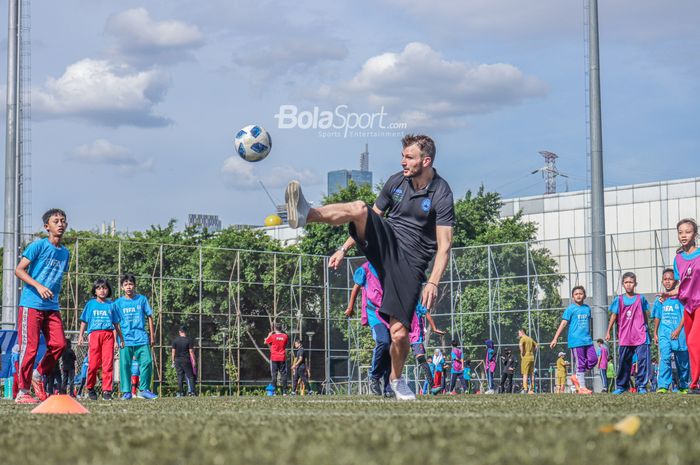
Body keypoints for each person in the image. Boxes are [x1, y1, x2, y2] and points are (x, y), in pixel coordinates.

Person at [287, 134, 455, 400]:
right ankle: (306, 213)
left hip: (411, 263)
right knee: (359, 207)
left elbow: (444, 245)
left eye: (408, 157)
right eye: (402, 156)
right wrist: (343, 249)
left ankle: (396, 380)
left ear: (426, 160)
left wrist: (433, 281)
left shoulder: (441, 192)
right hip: (386, 242)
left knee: (399, 335)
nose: (402, 162)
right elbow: (369, 218)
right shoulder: (396, 181)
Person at [14, 209, 70, 404]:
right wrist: (38, 286)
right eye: (56, 221)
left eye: (63, 221)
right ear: (47, 226)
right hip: (31, 304)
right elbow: (19, 270)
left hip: (51, 306)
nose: (60, 224)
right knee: (29, 348)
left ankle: (39, 374)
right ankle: (22, 391)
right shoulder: (38, 246)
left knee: (60, 344)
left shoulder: (65, 253)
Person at [664, 218, 700, 394]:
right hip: (688, 307)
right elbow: (680, 287)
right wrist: (669, 293)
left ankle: (694, 384)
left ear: (695, 234)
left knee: (694, 342)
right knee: (691, 343)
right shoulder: (678, 259)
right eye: (680, 232)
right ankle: (694, 385)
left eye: (688, 231)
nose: (684, 235)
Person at [344, 261, 391, 396]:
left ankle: (388, 387)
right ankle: (374, 376)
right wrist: (350, 307)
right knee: (383, 341)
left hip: (390, 312)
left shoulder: (392, 265)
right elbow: (356, 287)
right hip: (374, 313)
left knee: (393, 348)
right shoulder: (365, 268)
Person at [78, 278, 125, 401]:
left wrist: (120, 339)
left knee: (108, 364)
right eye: (99, 288)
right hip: (94, 335)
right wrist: (80, 336)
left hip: (108, 335)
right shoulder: (90, 304)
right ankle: (90, 388)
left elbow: (116, 324)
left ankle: (107, 391)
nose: (102, 290)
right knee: (93, 364)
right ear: (95, 291)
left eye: (104, 288)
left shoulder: (112, 305)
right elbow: (84, 321)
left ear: (108, 290)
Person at [605, 271, 651, 394]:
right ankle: (621, 386)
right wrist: (608, 331)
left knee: (642, 361)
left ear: (635, 283)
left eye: (631, 282)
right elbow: (614, 316)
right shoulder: (618, 299)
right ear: (623, 284)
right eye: (626, 282)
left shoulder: (641, 298)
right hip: (625, 336)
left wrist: (647, 329)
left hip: (640, 334)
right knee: (624, 362)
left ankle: (641, 386)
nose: (629, 284)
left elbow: (645, 315)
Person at [114, 274, 157, 400]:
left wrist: (152, 335)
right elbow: (115, 322)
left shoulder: (142, 299)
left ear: (134, 286)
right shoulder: (118, 303)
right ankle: (127, 392)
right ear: (122, 287)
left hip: (141, 337)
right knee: (125, 365)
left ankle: (144, 389)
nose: (129, 287)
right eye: (126, 284)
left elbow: (149, 316)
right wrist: (116, 340)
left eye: (131, 284)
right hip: (125, 339)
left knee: (147, 362)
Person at [549, 286, 595, 394]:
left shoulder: (587, 308)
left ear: (584, 295)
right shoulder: (570, 309)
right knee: (580, 363)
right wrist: (555, 338)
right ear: (573, 296)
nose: (578, 295)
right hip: (576, 341)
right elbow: (563, 323)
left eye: (580, 293)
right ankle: (582, 387)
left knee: (593, 360)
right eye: (576, 294)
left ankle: (576, 376)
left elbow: (589, 323)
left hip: (587, 340)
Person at [653, 268, 689, 393]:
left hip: (680, 334)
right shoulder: (660, 299)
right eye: (665, 279)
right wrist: (655, 333)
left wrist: (679, 329)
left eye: (670, 279)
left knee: (683, 361)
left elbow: (686, 314)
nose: (667, 281)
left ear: (676, 281)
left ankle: (684, 386)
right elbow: (657, 316)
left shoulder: (682, 298)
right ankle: (663, 385)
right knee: (665, 358)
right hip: (664, 334)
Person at [410, 303, 445, 395]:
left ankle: (433, 386)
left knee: (421, 359)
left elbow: (427, 313)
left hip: (414, 338)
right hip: (402, 336)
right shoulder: (398, 302)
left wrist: (434, 328)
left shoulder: (414, 303)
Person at [171, 326, 197, 397]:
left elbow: (173, 352)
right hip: (186, 360)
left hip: (177, 360)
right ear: (185, 332)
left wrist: (173, 361)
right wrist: (194, 360)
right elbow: (191, 351)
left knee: (180, 376)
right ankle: (192, 392)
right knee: (190, 376)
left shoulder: (175, 340)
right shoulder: (189, 340)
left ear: (179, 332)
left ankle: (181, 393)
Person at [264, 326, 289, 395]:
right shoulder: (285, 336)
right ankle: (284, 392)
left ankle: (273, 392)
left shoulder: (273, 336)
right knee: (283, 374)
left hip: (274, 357)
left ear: (275, 329)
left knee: (274, 374)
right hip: (282, 357)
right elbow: (285, 344)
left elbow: (265, 342)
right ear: (281, 328)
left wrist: (269, 335)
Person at [518, 329, 538, 394]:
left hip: (525, 357)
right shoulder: (530, 338)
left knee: (525, 374)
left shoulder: (523, 338)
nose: (518, 335)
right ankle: (532, 389)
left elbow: (520, 345)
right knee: (531, 374)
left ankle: (525, 389)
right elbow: (536, 346)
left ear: (522, 332)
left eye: (519, 333)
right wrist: (532, 351)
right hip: (532, 357)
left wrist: (522, 352)